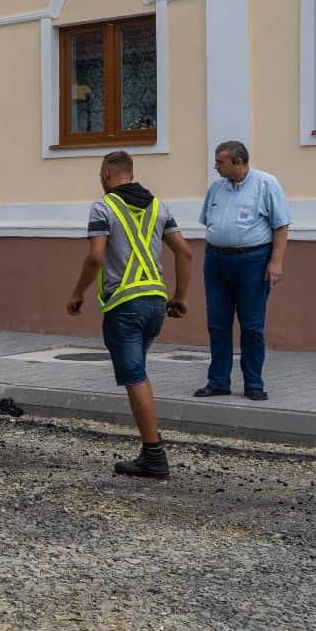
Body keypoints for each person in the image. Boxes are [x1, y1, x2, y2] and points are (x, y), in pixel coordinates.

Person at [66, 150, 192, 480]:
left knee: (135, 377)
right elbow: (185, 251)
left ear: (108, 174)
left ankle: (154, 456)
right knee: (138, 373)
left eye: (100, 175)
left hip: (124, 304)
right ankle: (148, 451)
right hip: (155, 301)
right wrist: (180, 296)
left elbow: (95, 257)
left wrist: (78, 292)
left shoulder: (103, 207)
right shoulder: (158, 206)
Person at [196, 141, 290, 401]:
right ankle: (218, 381)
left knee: (251, 326)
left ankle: (253, 383)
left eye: (220, 162)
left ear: (238, 162)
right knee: (217, 323)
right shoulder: (216, 189)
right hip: (216, 261)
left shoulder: (266, 184)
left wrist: (276, 262)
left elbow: (281, 226)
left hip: (253, 261)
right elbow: (208, 222)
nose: (215, 166)